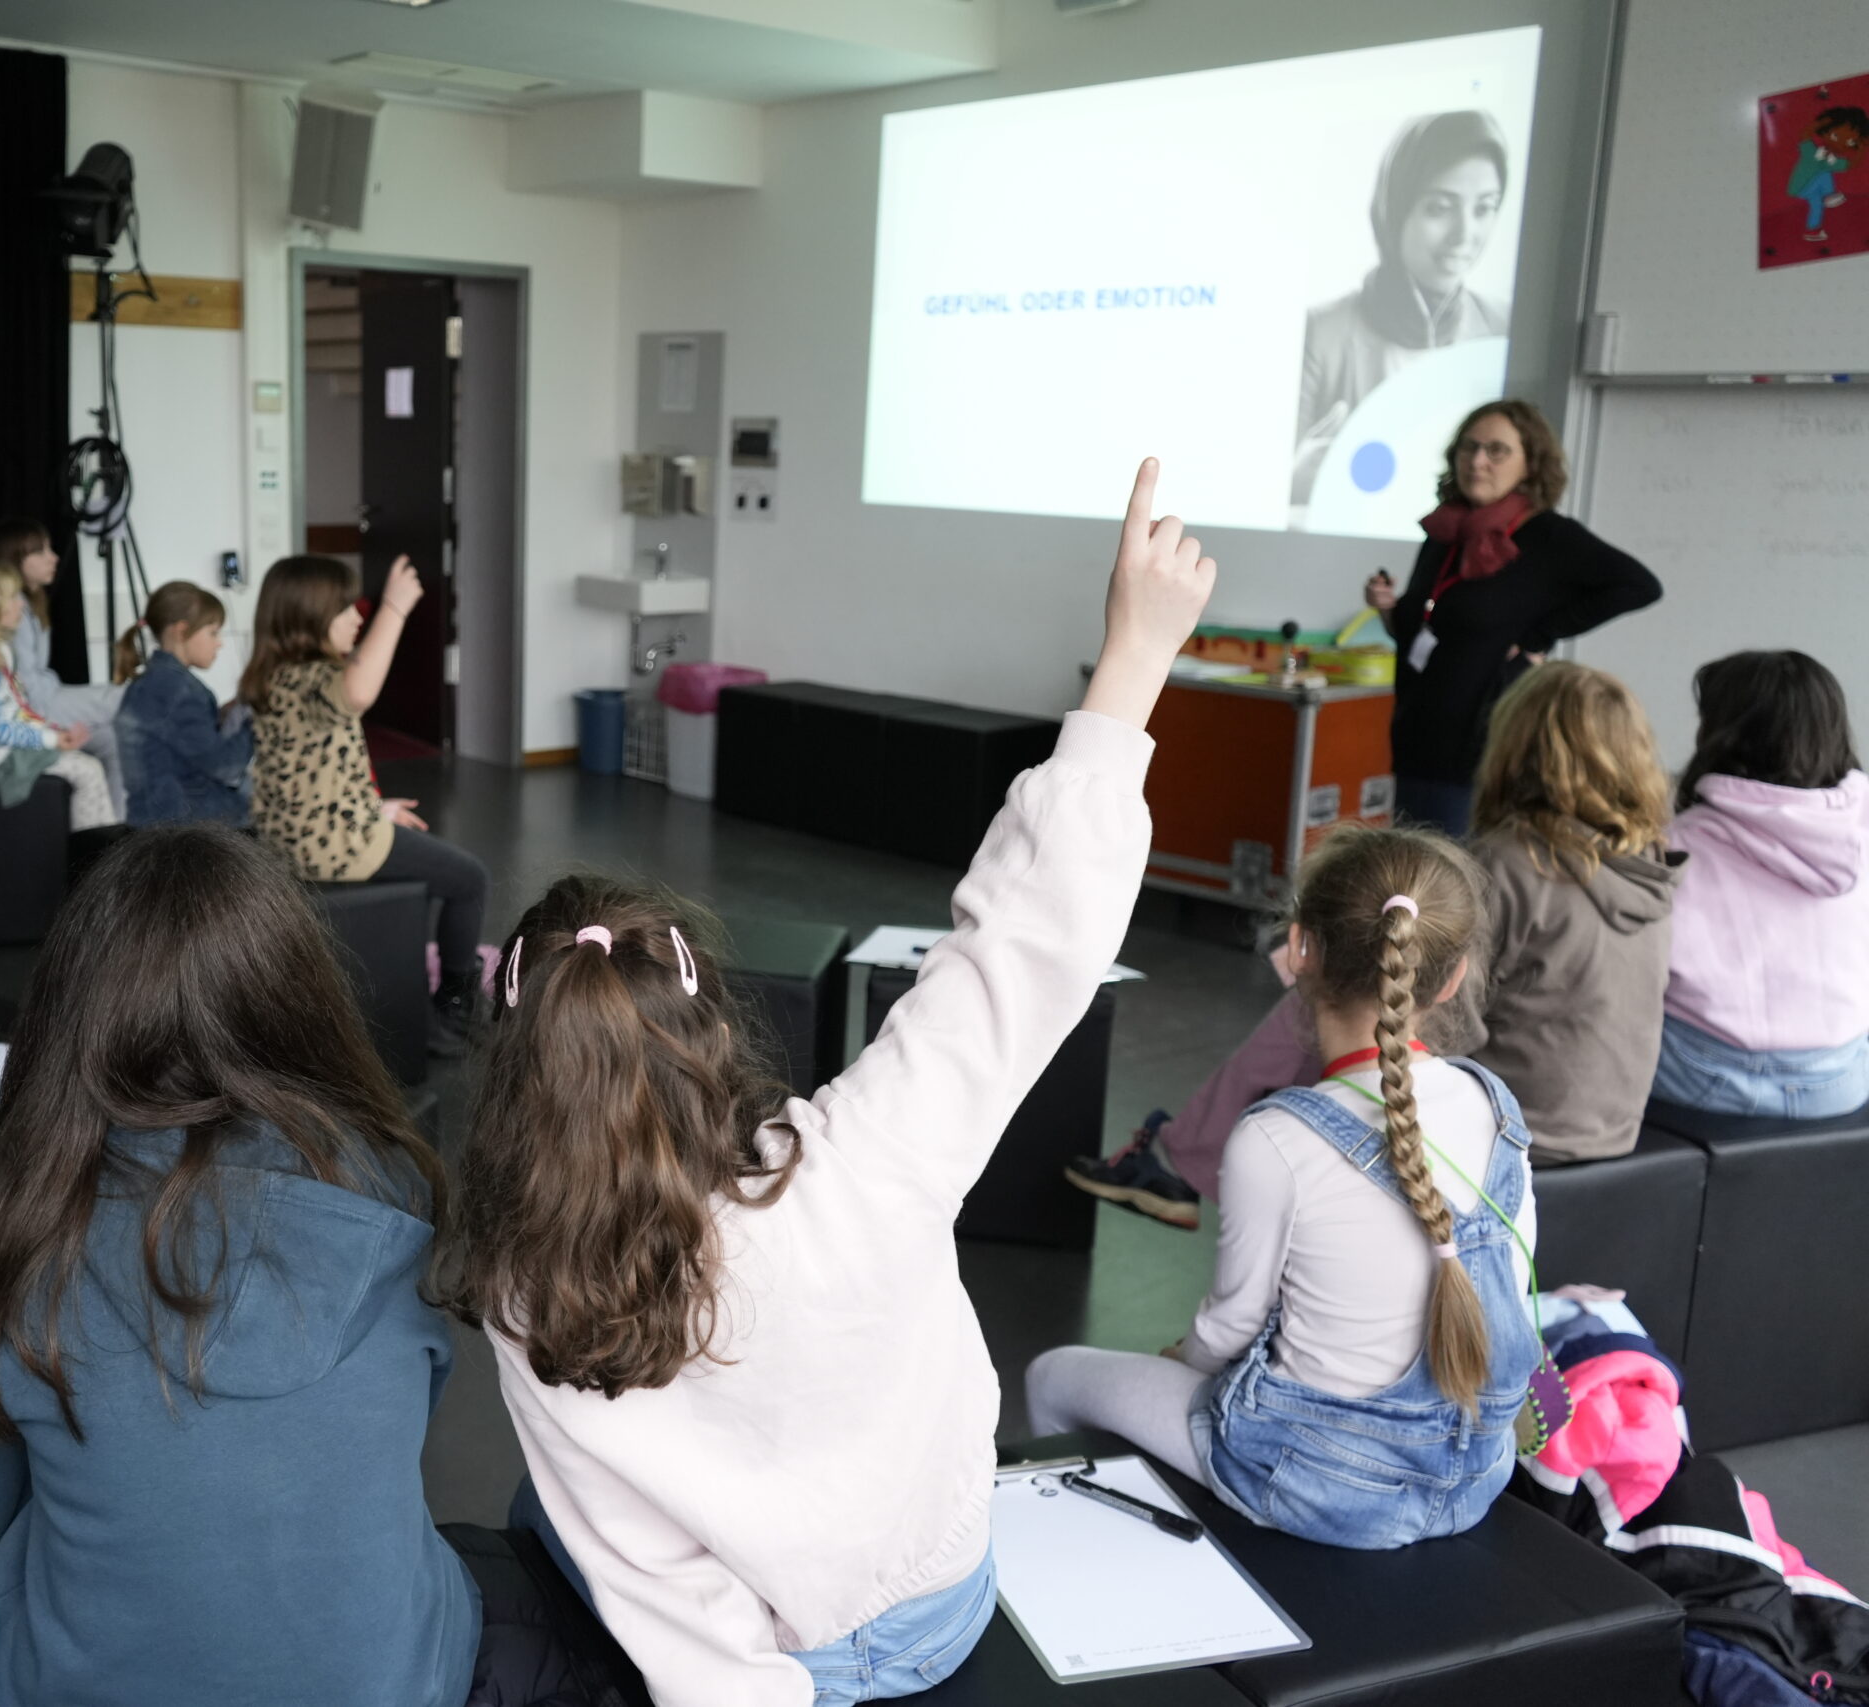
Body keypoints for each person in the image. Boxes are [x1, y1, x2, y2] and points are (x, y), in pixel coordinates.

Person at [442, 461, 1214, 1707]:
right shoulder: (864, 1156)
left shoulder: (529, 1292)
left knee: (550, 1504)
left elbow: (654, 1589)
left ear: (521, 1068)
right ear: (706, 1029)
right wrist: (1131, 659)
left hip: (763, 1656)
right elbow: (1023, 945)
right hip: (939, 1606)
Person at [0, 825, 482, 1707]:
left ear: (68, 1014)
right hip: (396, 1686)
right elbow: (403, 1410)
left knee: (11, 1516)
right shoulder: (393, 1187)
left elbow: (10, 1484)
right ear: (300, 996)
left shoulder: (5, 1224)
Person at [1028, 824, 1542, 1551]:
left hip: (1322, 1485)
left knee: (1054, 1375)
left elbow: (1227, 1332)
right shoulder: (1498, 1108)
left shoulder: (1276, 1138)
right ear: (1452, 977)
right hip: (1474, 1478)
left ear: (1298, 949)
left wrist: (1172, 1362)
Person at [1071, 660, 1675, 1225]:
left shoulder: (1514, 863)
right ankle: (1190, 1155)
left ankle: (1182, 1160)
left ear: (1518, 748)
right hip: (1609, 1125)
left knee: (1327, 1000)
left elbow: (1448, 1019)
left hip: (1520, 1127)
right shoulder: (1646, 868)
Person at [1364, 399, 1660, 835]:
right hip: (1417, 744)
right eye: (1468, 448)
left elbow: (1640, 585)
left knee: (1452, 891)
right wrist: (1390, 608)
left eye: (1496, 450)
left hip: (1481, 753)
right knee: (1413, 882)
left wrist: (1542, 635)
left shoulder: (1548, 536)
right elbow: (1422, 631)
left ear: (1530, 463)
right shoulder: (1447, 530)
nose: (1478, 461)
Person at [245, 553, 489, 1054]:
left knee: (427, 865)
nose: (358, 616)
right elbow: (359, 690)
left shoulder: (275, 676)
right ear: (311, 615)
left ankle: (417, 983)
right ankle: (453, 1012)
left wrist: (376, 807)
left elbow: (305, 778)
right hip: (337, 849)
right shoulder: (315, 677)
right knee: (469, 879)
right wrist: (394, 609)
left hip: (296, 841)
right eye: (346, 609)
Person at [1657, 650, 1869, 1117]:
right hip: (1843, 1077)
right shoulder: (1861, 830)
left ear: (1724, 734)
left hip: (1707, 1074)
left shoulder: (1677, 843)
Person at [1294, 111, 1515, 506]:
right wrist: (1299, 478)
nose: (1465, 235)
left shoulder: (1503, 329)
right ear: (1394, 211)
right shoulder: (1320, 331)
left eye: (1483, 209)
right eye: (1441, 208)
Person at [0, 558, 120, 831]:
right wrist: (50, 739)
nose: (21, 604)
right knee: (88, 771)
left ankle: (102, 844)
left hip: (1, 749)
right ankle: (96, 851)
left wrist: (52, 732)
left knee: (87, 762)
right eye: (11, 598)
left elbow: (15, 709)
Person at [0, 519, 125, 811]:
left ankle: (114, 831)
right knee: (127, 697)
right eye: (42, 551)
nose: (54, 557)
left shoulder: (31, 605)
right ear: (16, 560)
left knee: (113, 739)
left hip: (48, 698)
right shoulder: (11, 612)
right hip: (41, 707)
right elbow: (28, 694)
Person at [111, 580, 252, 826]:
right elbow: (225, 766)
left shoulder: (151, 683)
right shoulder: (178, 690)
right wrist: (256, 724)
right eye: (213, 632)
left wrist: (224, 714)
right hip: (185, 824)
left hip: (148, 816)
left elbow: (183, 743)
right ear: (182, 631)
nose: (219, 642)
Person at [1788, 106, 1865, 243]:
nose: (1839, 144)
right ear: (1824, 133)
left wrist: (1862, 150)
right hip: (1801, 186)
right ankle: (1829, 194)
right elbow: (1804, 136)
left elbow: (1849, 165)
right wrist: (1821, 123)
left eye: (1850, 142)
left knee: (1816, 205)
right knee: (1824, 172)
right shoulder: (1810, 152)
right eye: (1835, 136)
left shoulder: (1832, 160)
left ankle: (1812, 230)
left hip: (1814, 192)